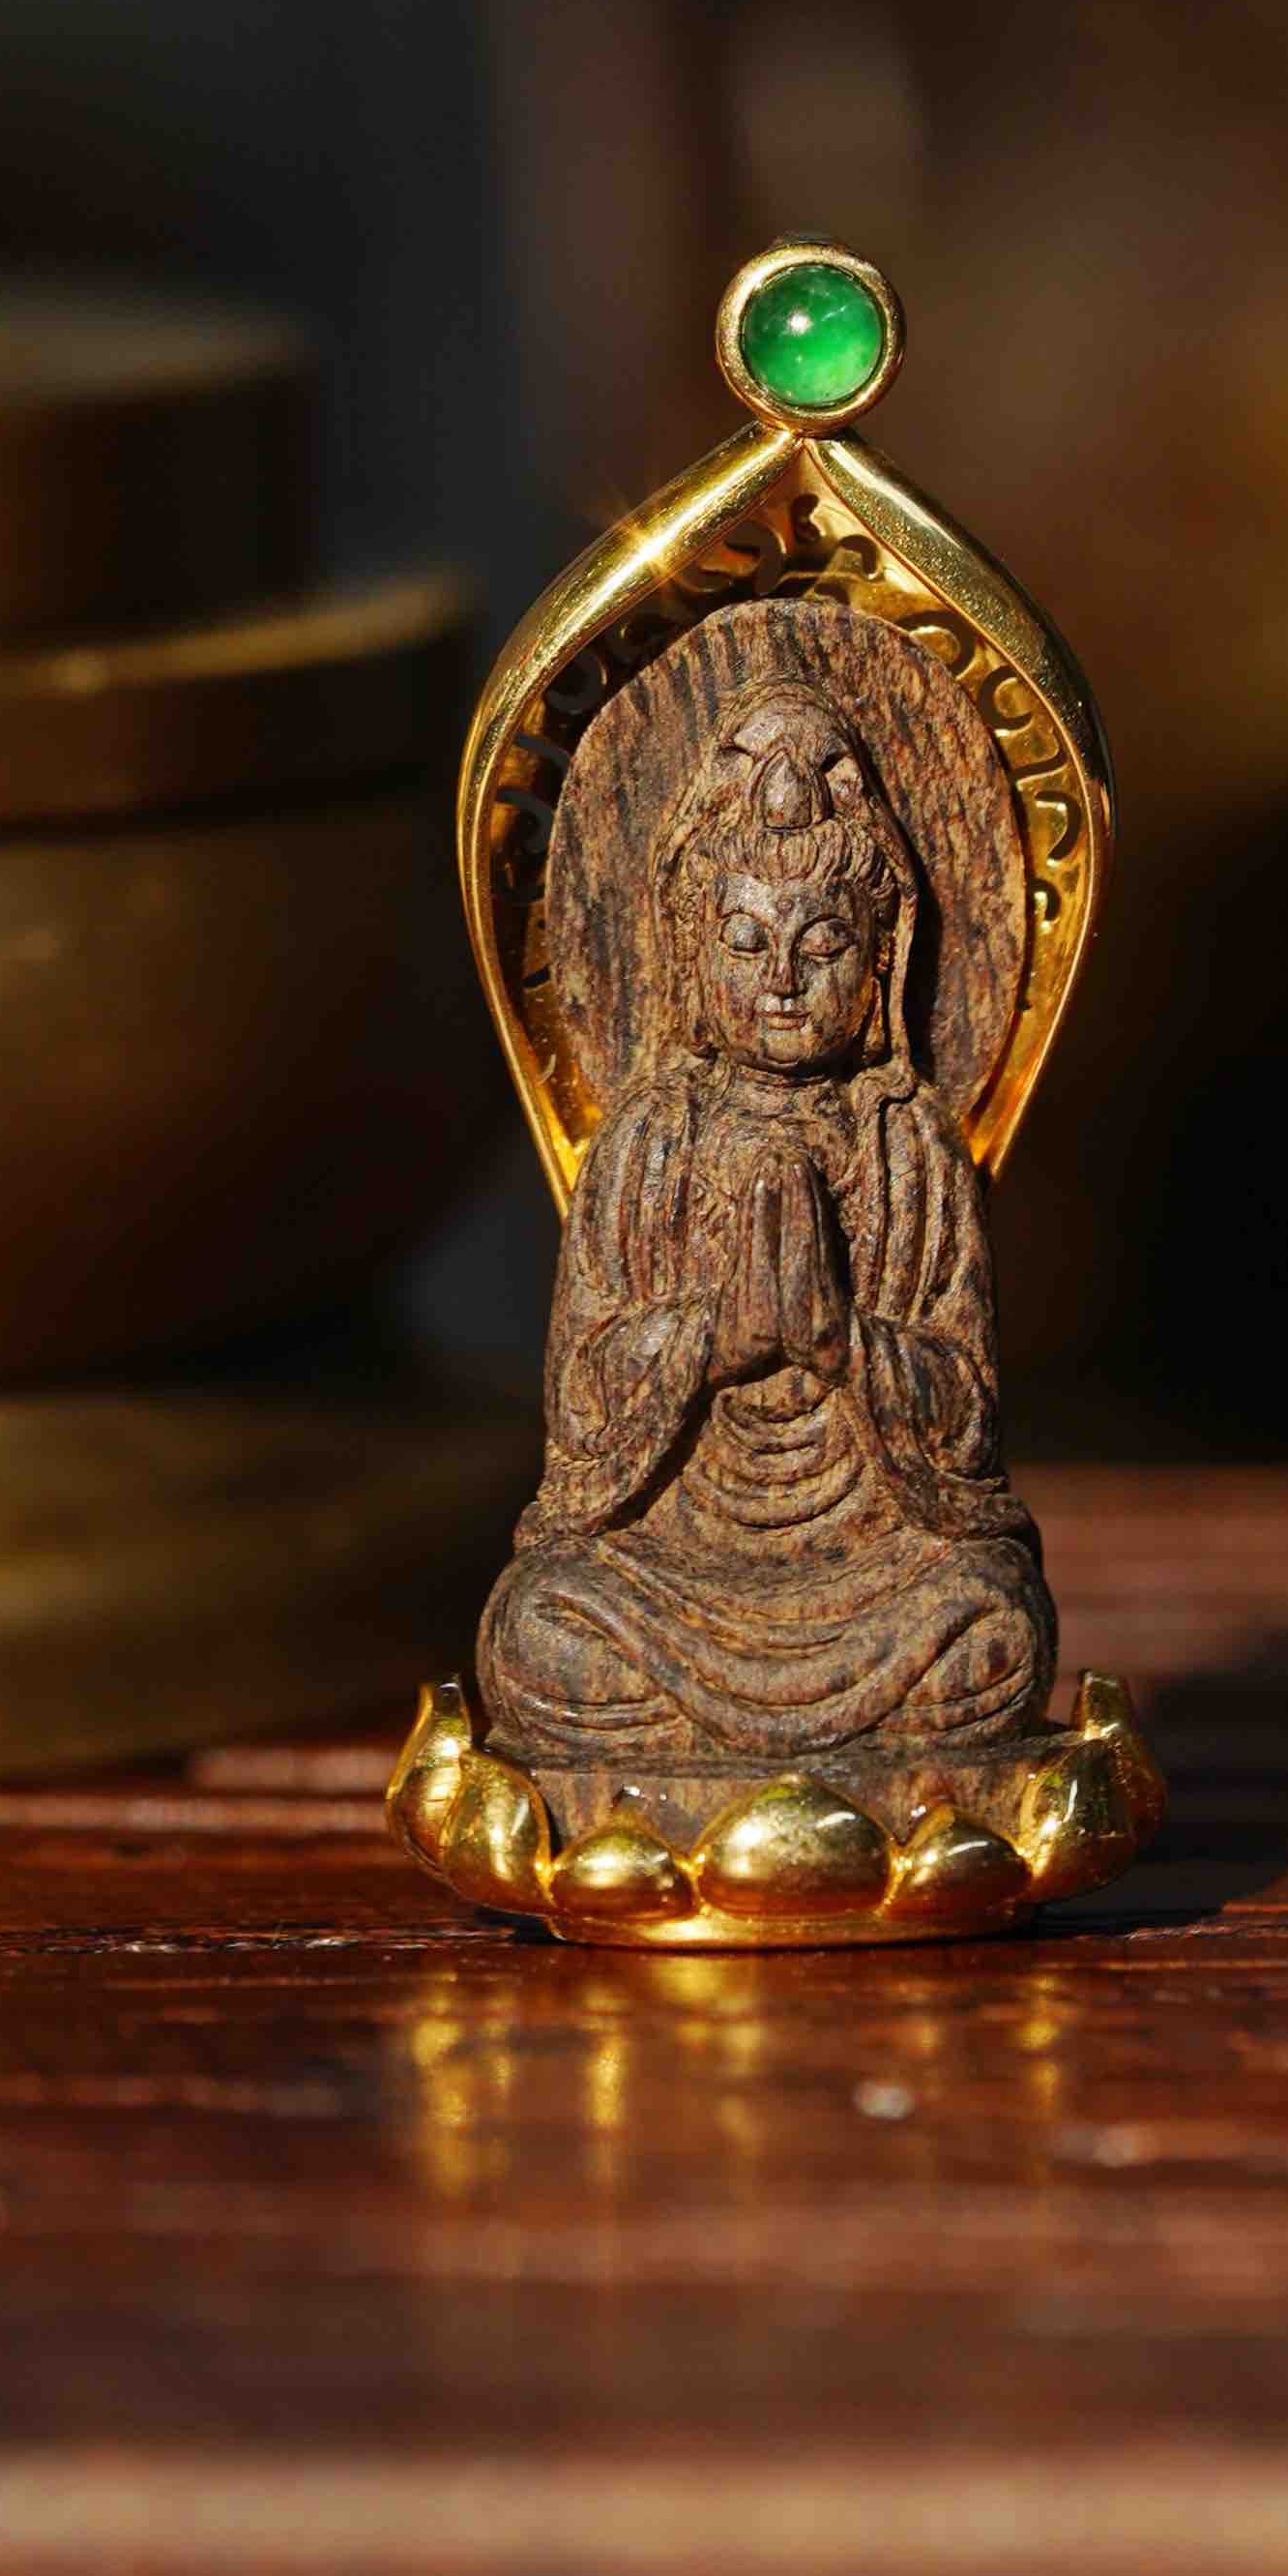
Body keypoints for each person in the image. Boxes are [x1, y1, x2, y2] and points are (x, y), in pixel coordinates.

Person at [479, 668, 1055, 1766]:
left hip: (876, 1571)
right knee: (537, 1628)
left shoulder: (909, 1145)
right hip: (672, 1569)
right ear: (689, 957)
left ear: (882, 959)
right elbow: (583, 1408)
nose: (782, 979)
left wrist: (847, 1346)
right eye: (745, 943)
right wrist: (712, 1337)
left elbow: (968, 1419)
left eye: (823, 944)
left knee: (994, 1623)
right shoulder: (648, 1140)